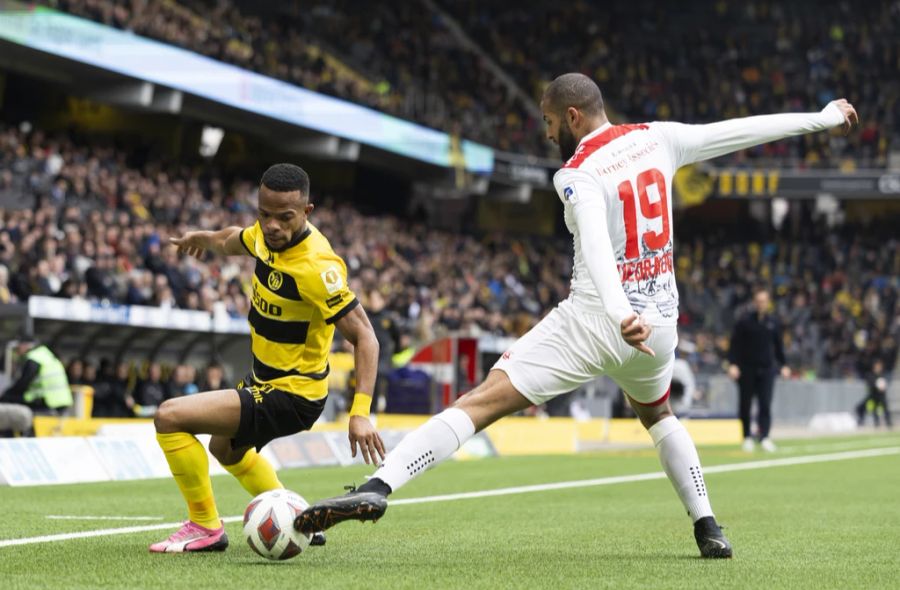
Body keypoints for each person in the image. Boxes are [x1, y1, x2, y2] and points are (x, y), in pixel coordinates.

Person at [295, 73, 858, 560]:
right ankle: (707, 524)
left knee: (481, 401)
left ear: (571, 115)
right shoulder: (656, 138)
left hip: (596, 321)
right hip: (660, 327)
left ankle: (379, 484)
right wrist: (820, 117)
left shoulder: (576, 173)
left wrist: (615, 311)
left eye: (547, 122)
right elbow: (737, 131)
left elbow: (594, 245)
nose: (546, 135)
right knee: (658, 414)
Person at [149, 163, 384, 553]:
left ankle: (204, 527)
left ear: (306, 212)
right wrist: (202, 238)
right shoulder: (264, 236)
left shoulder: (317, 267)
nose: (272, 225)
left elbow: (365, 336)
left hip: (293, 393)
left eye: (284, 217)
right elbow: (232, 240)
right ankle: (296, 518)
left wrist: (360, 411)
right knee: (224, 449)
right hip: (265, 381)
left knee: (169, 416)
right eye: (264, 214)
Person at [727, 288, 792, 453]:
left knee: (765, 403)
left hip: (767, 369)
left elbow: (778, 347)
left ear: (768, 302)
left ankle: (765, 437)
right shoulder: (744, 322)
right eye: (758, 301)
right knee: (745, 404)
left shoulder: (774, 322)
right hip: (747, 369)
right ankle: (747, 437)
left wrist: (783, 365)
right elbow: (735, 345)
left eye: (764, 301)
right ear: (754, 302)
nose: (761, 304)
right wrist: (733, 364)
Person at [0, 338, 73, 416]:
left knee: (10, 399)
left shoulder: (35, 358)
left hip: (47, 402)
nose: (18, 351)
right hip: (61, 401)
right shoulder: (45, 354)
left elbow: (23, 383)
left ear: (25, 346)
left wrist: (6, 395)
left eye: (18, 347)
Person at [855, 359, 892, 429]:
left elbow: (885, 385)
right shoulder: (870, 375)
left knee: (885, 408)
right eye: (878, 365)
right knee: (863, 408)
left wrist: (882, 387)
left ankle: (888, 423)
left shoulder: (883, 375)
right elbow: (870, 384)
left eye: (880, 366)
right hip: (873, 396)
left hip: (881, 396)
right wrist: (876, 385)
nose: (879, 367)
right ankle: (864, 422)